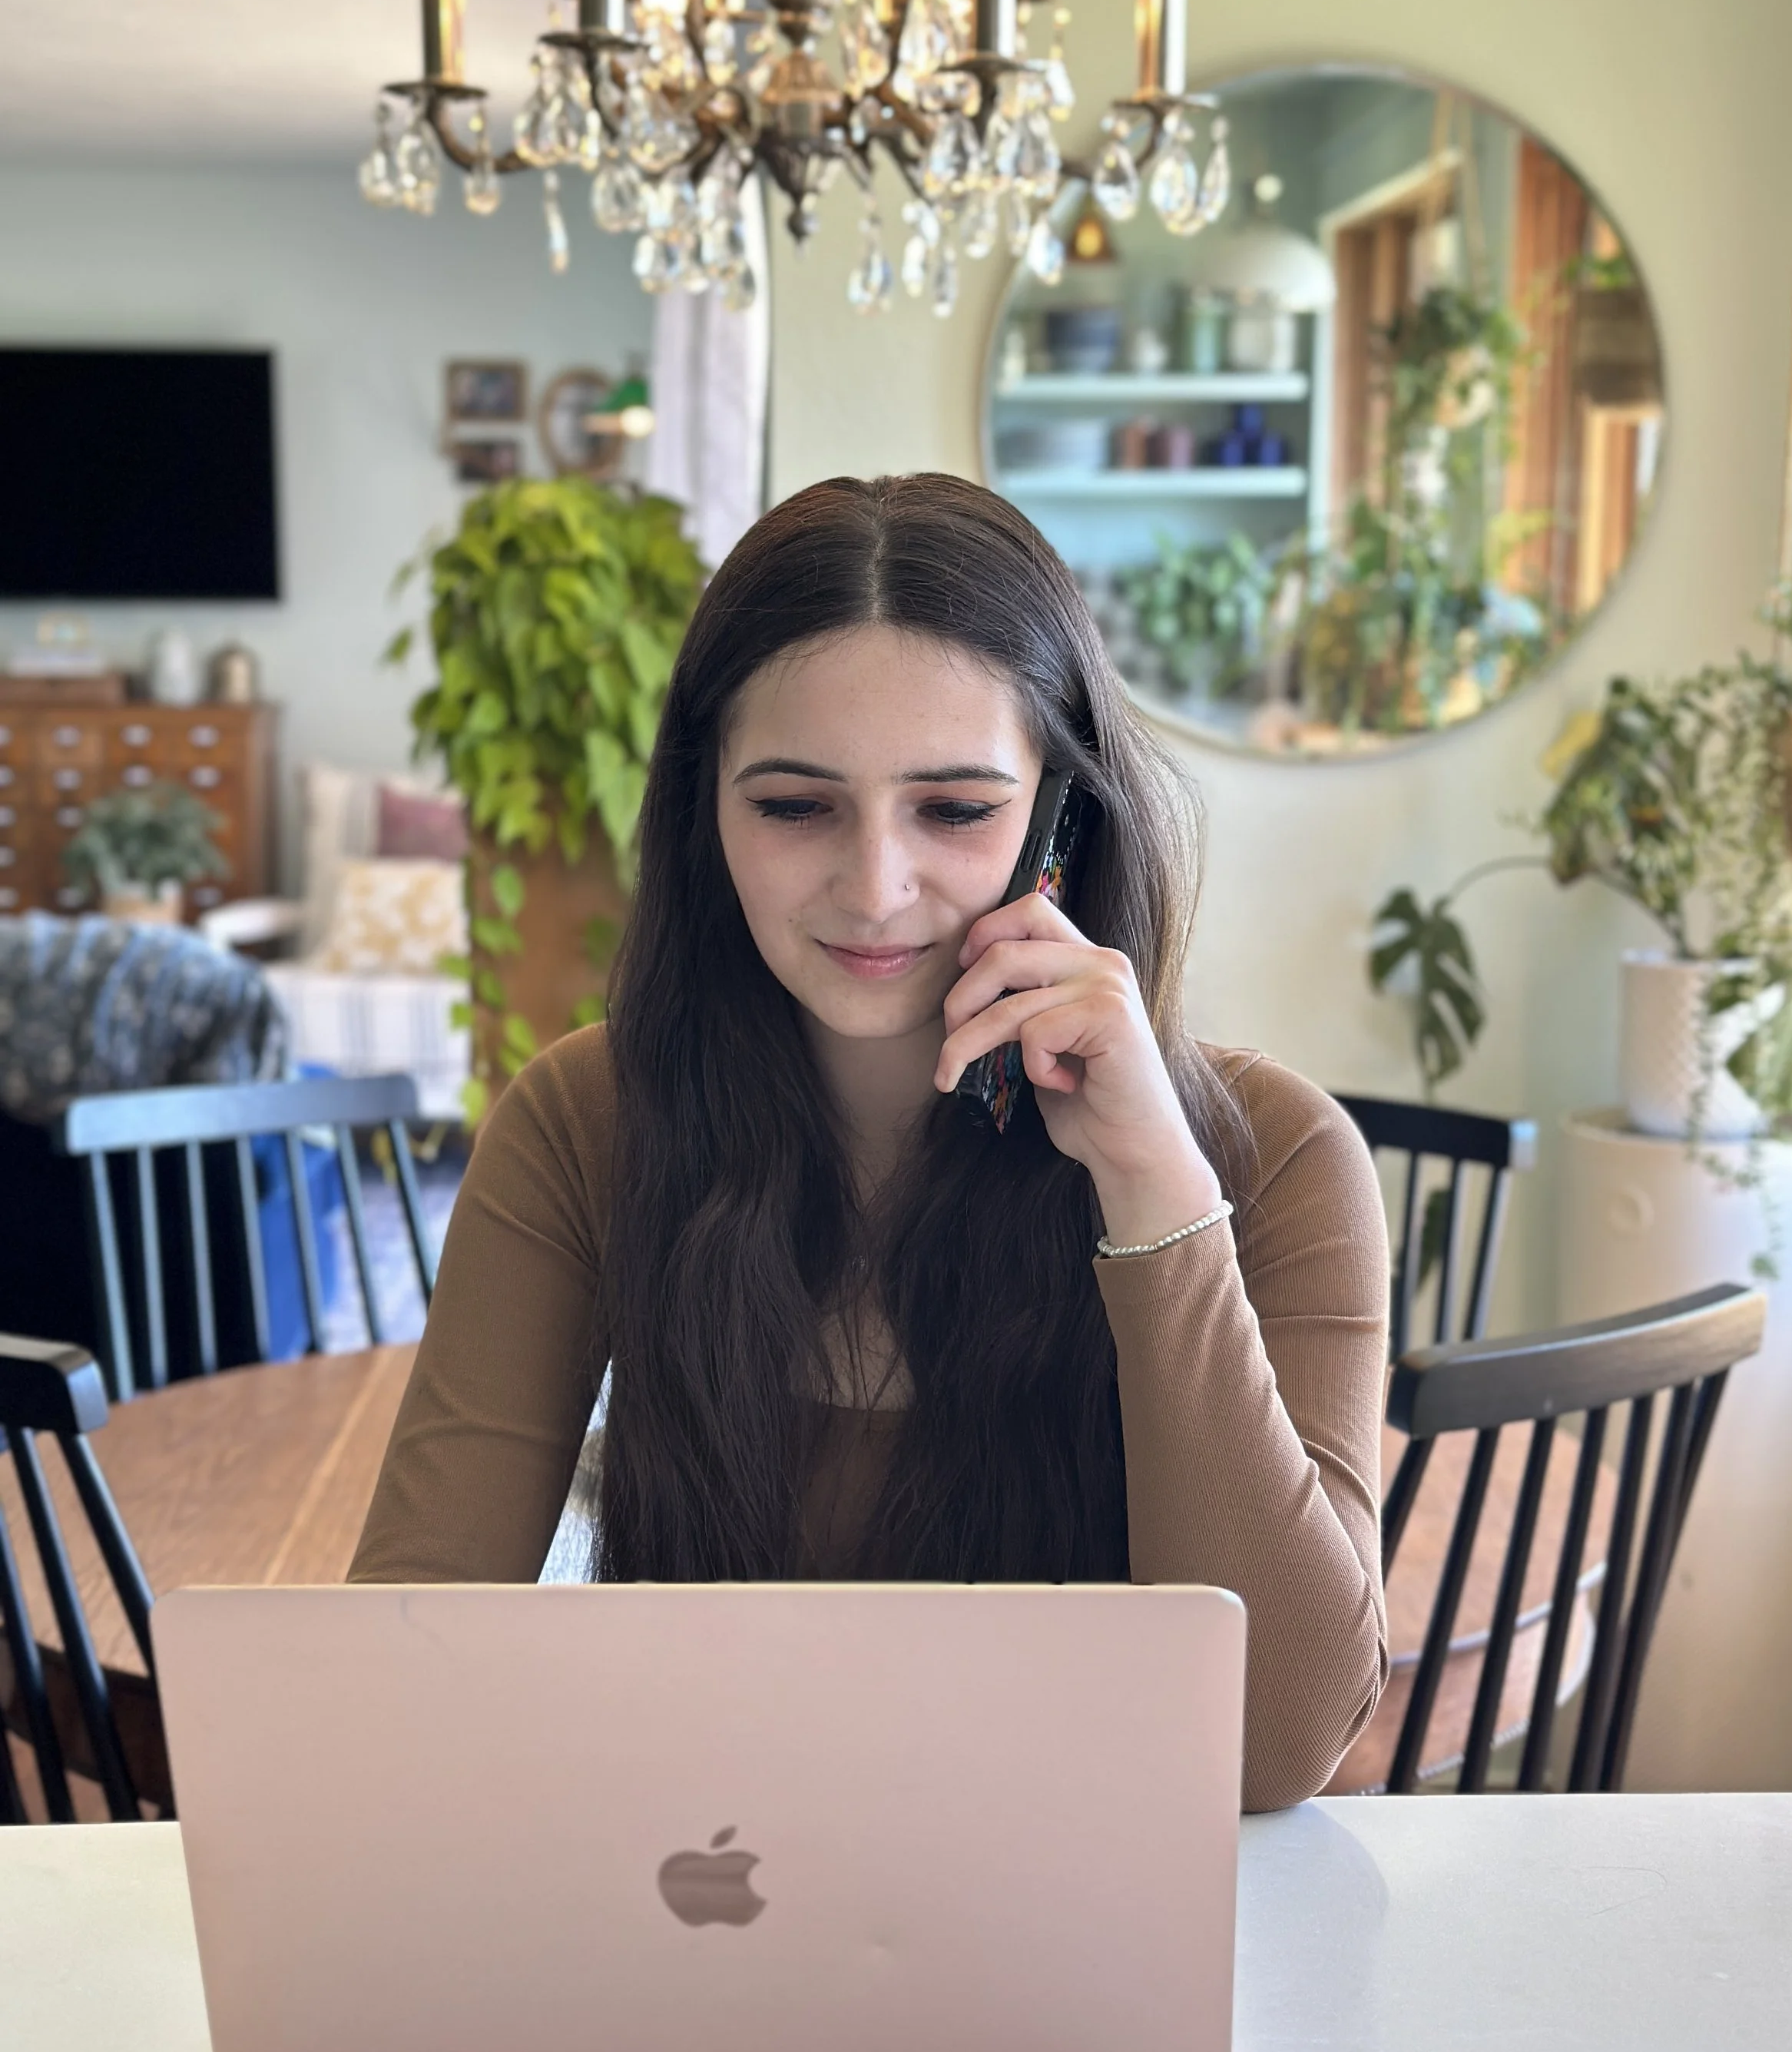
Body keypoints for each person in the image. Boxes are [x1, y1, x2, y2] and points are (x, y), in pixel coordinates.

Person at [351, 473, 1390, 1811]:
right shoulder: (584, 1124)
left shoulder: (1280, 1158)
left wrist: (1153, 1192)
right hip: (709, 1919)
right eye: (794, 806)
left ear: (1061, 821)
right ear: (703, 815)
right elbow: (403, 1667)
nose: (876, 885)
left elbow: (1273, 1752)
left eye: (954, 810)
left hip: (1092, 1950)